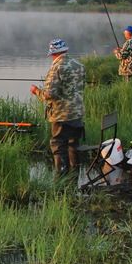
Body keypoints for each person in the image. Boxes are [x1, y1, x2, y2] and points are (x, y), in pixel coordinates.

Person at [30, 38, 85, 176]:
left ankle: (60, 177)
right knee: (73, 144)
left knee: (58, 145)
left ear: (53, 53)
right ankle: (74, 176)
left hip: (61, 115)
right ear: (65, 50)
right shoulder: (78, 64)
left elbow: (49, 94)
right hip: (77, 113)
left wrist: (36, 91)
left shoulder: (56, 68)